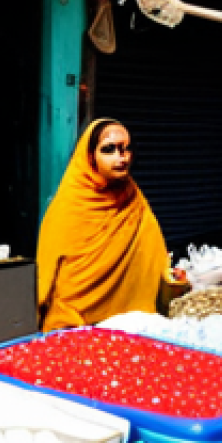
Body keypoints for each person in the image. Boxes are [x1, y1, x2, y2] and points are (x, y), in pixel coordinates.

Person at [36, 118, 181, 331]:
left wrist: (172, 280)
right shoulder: (69, 205)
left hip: (131, 323)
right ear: (90, 156)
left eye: (126, 149)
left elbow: (153, 255)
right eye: (109, 149)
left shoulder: (132, 197)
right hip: (75, 325)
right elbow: (45, 275)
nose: (121, 157)